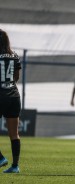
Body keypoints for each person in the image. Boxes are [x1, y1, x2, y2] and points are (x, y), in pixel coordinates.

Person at [0, 29, 22, 173]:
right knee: (14, 134)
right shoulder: (15, 56)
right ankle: (15, 166)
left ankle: (1, 158)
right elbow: (16, 77)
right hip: (14, 96)